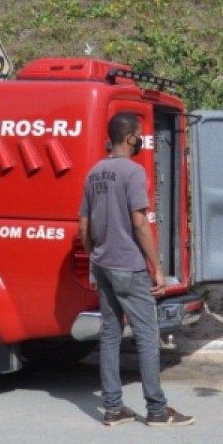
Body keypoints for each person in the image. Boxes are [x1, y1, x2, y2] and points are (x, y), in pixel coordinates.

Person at [79, 112, 193, 427]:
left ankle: (113, 408)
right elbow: (140, 222)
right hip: (128, 265)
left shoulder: (94, 173)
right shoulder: (132, 172)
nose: (140, 139)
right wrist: (156, 267)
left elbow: (84, 224)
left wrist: (94, 255)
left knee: (111, 333)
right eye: (139, 134)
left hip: (103, 264)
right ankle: (156, 409)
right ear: (130, 137)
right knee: (146, 333)